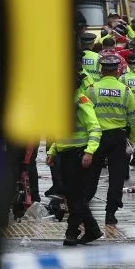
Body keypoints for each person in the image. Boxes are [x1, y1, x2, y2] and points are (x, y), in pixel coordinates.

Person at [46, 53, 104, 246]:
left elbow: (95, 127)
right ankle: (93, 230)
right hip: (64, 154)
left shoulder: (81, 100)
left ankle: (71, 233)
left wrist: (89, 152)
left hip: (78, 154)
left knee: (75, 197)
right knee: (73, 196)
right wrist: (52, 151)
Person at [85, 55, 135, 225]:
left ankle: (83, 208)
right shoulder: (125, 91)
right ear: (117, 70)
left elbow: (84, 115)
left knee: (91, 175)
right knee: (116, 177)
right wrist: (132, 140)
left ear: (101, 70)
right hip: (118, 138)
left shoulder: (92, 89)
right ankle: (110, 214)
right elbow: (133, 119)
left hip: (97, 138)